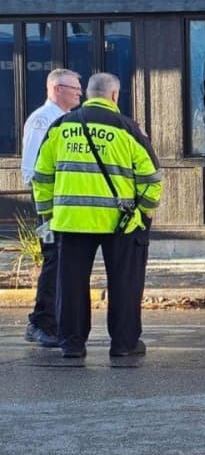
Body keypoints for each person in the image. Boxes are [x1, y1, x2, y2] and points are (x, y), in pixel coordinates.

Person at [32, 72, 163, 359]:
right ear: (114, 96)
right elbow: (152, 179)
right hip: (121, 223)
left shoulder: (60, 127)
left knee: (71, 285)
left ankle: (72, 343)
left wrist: (48, 217)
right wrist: (143, 213)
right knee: (125, 284)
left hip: (72, 222)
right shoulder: (127, 129)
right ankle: (124, 344)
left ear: (89, 94)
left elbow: (41, 177)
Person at [20, 68, 83, 348]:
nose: (80, 93)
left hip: (62, 202)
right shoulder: (43, 120)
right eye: (74, 88)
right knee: (53, 260)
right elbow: (35, 170)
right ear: (57, 89)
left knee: (60, 261)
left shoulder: (64, 119)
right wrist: (47, 208)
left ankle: (52, 319)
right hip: (48, 204)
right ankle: (41, 322)